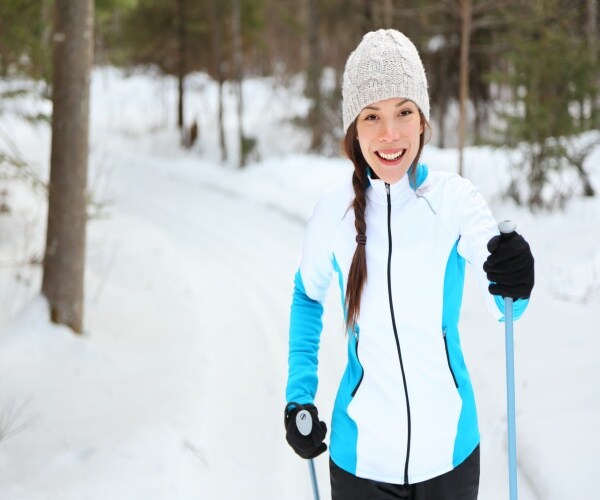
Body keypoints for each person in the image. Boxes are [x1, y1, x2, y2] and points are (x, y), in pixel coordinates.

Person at [283, 29, 535, 499]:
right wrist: (299, 393)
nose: (390, 133)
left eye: (403, 112)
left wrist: (515, 276)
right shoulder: (332, 214)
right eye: (372, 116)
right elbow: (307, 295)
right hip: (359, 461)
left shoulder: (456, 202)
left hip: (450, 459)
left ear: (423, 121)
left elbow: (505, 306)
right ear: (354, 131)